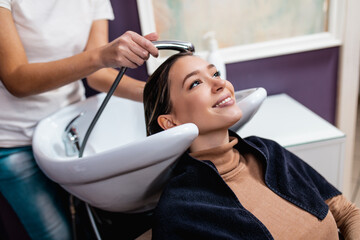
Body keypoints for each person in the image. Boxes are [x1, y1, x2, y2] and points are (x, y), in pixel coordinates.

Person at [143, 52, 360, 239]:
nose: (221, 83)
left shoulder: (269, 152)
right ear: (171, 122)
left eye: (215, 74)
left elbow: (348, 214)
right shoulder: (180, 210)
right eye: (196, 83)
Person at [0, 0, 159, 239]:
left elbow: (98, 75)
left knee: (89, 227)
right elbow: (16, 80)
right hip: (15, 142)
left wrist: (157, 94)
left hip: (69, 131)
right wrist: (101, 56)